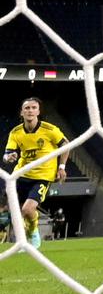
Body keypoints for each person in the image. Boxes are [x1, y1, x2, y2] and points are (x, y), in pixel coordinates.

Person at [4, 97, 69, 250]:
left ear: (38, 111)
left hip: (43, 176)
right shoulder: (16, 132)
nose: (30, 110)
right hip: (21, 174)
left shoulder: (50, 130)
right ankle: (22, 241)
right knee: (15, 211)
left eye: (33, 108)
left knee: (27, 209)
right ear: (22, 112)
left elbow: (66, 145)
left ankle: (33, 233)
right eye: (27, 108)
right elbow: (7, 154)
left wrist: (61, 166)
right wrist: (9, 157)